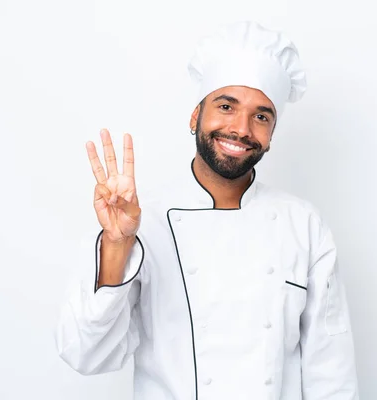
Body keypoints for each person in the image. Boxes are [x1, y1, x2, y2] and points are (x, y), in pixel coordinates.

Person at [55, 21, 359, 399]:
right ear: (195, 116)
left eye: (261, 116)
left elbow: (331, 373)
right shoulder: (139, 223)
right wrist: (117, 245)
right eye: (226, 106)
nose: (241, 128)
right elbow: (85, 355)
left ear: (271, 134)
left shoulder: (305, 227)